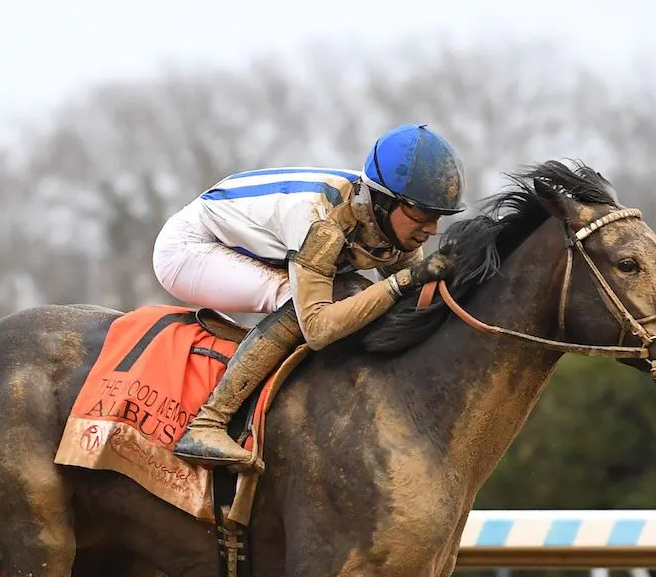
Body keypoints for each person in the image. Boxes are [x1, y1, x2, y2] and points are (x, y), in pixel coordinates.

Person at [151, 122, 467, 469]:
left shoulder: (385, 213)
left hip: (256, 244)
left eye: (438, 216)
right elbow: (317, 329)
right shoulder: (324, 223)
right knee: (300, 302)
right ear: (384, 200)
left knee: (360, 295)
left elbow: (412, 300)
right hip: (190, 248)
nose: (432, 228)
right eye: (421, 213)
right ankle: (208, 423)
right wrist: (400, 283)